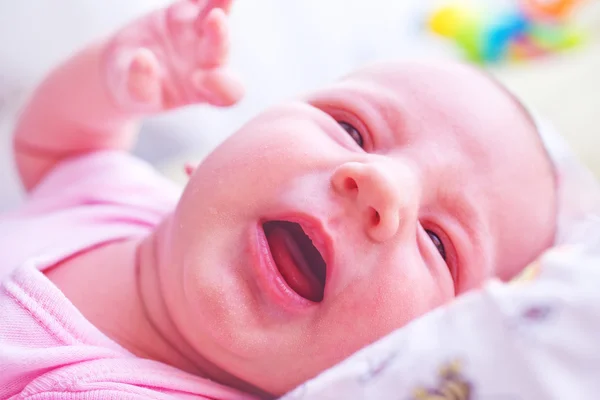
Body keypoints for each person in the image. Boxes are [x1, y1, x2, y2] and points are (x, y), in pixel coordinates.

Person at [0, 0, 557, 398]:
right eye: (353, 129)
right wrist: (111, 82)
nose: (381, 183)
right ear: (218, 151)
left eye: (439, 243)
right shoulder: (120, 201)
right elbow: (57, 146)